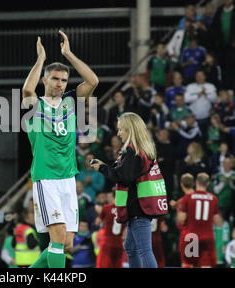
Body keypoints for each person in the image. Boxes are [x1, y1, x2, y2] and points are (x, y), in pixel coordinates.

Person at [22, 30, 99, 268]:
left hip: (67, 178)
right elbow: (27, 91)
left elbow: (93, 81)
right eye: (55, 78)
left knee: (66, 243)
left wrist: (69, 54)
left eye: (64, 80)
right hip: (46, 178)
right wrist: (40, 60)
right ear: (45, 80)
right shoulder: (36, 105)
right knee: (56, 240)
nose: (59, 83)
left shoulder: (70, 102)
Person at [91, 112, 168, 268]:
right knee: (131, 248)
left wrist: (103, 169)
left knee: (144, 251)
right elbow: (125, 171)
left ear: (130, 130)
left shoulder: (134, 151)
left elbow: (125, 177)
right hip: (140, 206)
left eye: (121, 130)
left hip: (138, 207)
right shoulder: (142, 149)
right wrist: (106, 166)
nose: (119, 134)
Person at [177, 172, 221, 268]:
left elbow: (181, 220)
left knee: (188, 264)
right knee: (206, 265)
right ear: (208, 184)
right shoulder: (213, 199)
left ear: (196, 182)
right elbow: (218, 221)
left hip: (192, 236)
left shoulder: (188, 198)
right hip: (208, 237)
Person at [94, 191, 125, 268]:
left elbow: (97, 223)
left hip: (107, 243)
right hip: (119, 244)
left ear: (112, 197)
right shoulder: (125, 210)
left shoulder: (106, 208)